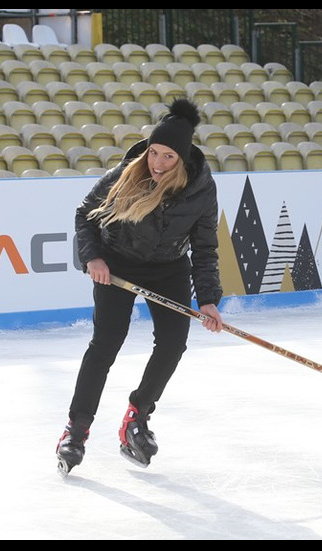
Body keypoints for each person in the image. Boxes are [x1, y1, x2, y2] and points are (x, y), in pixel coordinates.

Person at [57, 99, 225, 474]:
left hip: (168, 268)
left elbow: (205, 247)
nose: (157, 163)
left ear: (182, 158)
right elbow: (84, 213)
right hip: (117, 263)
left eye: (168, 157)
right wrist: (93, 258)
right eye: (154, 153)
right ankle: (76, 429)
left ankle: (137, 416)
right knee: (105, 345)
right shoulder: (127, 173)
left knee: (172, 343)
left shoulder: (201, 189)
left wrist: (210, 300)